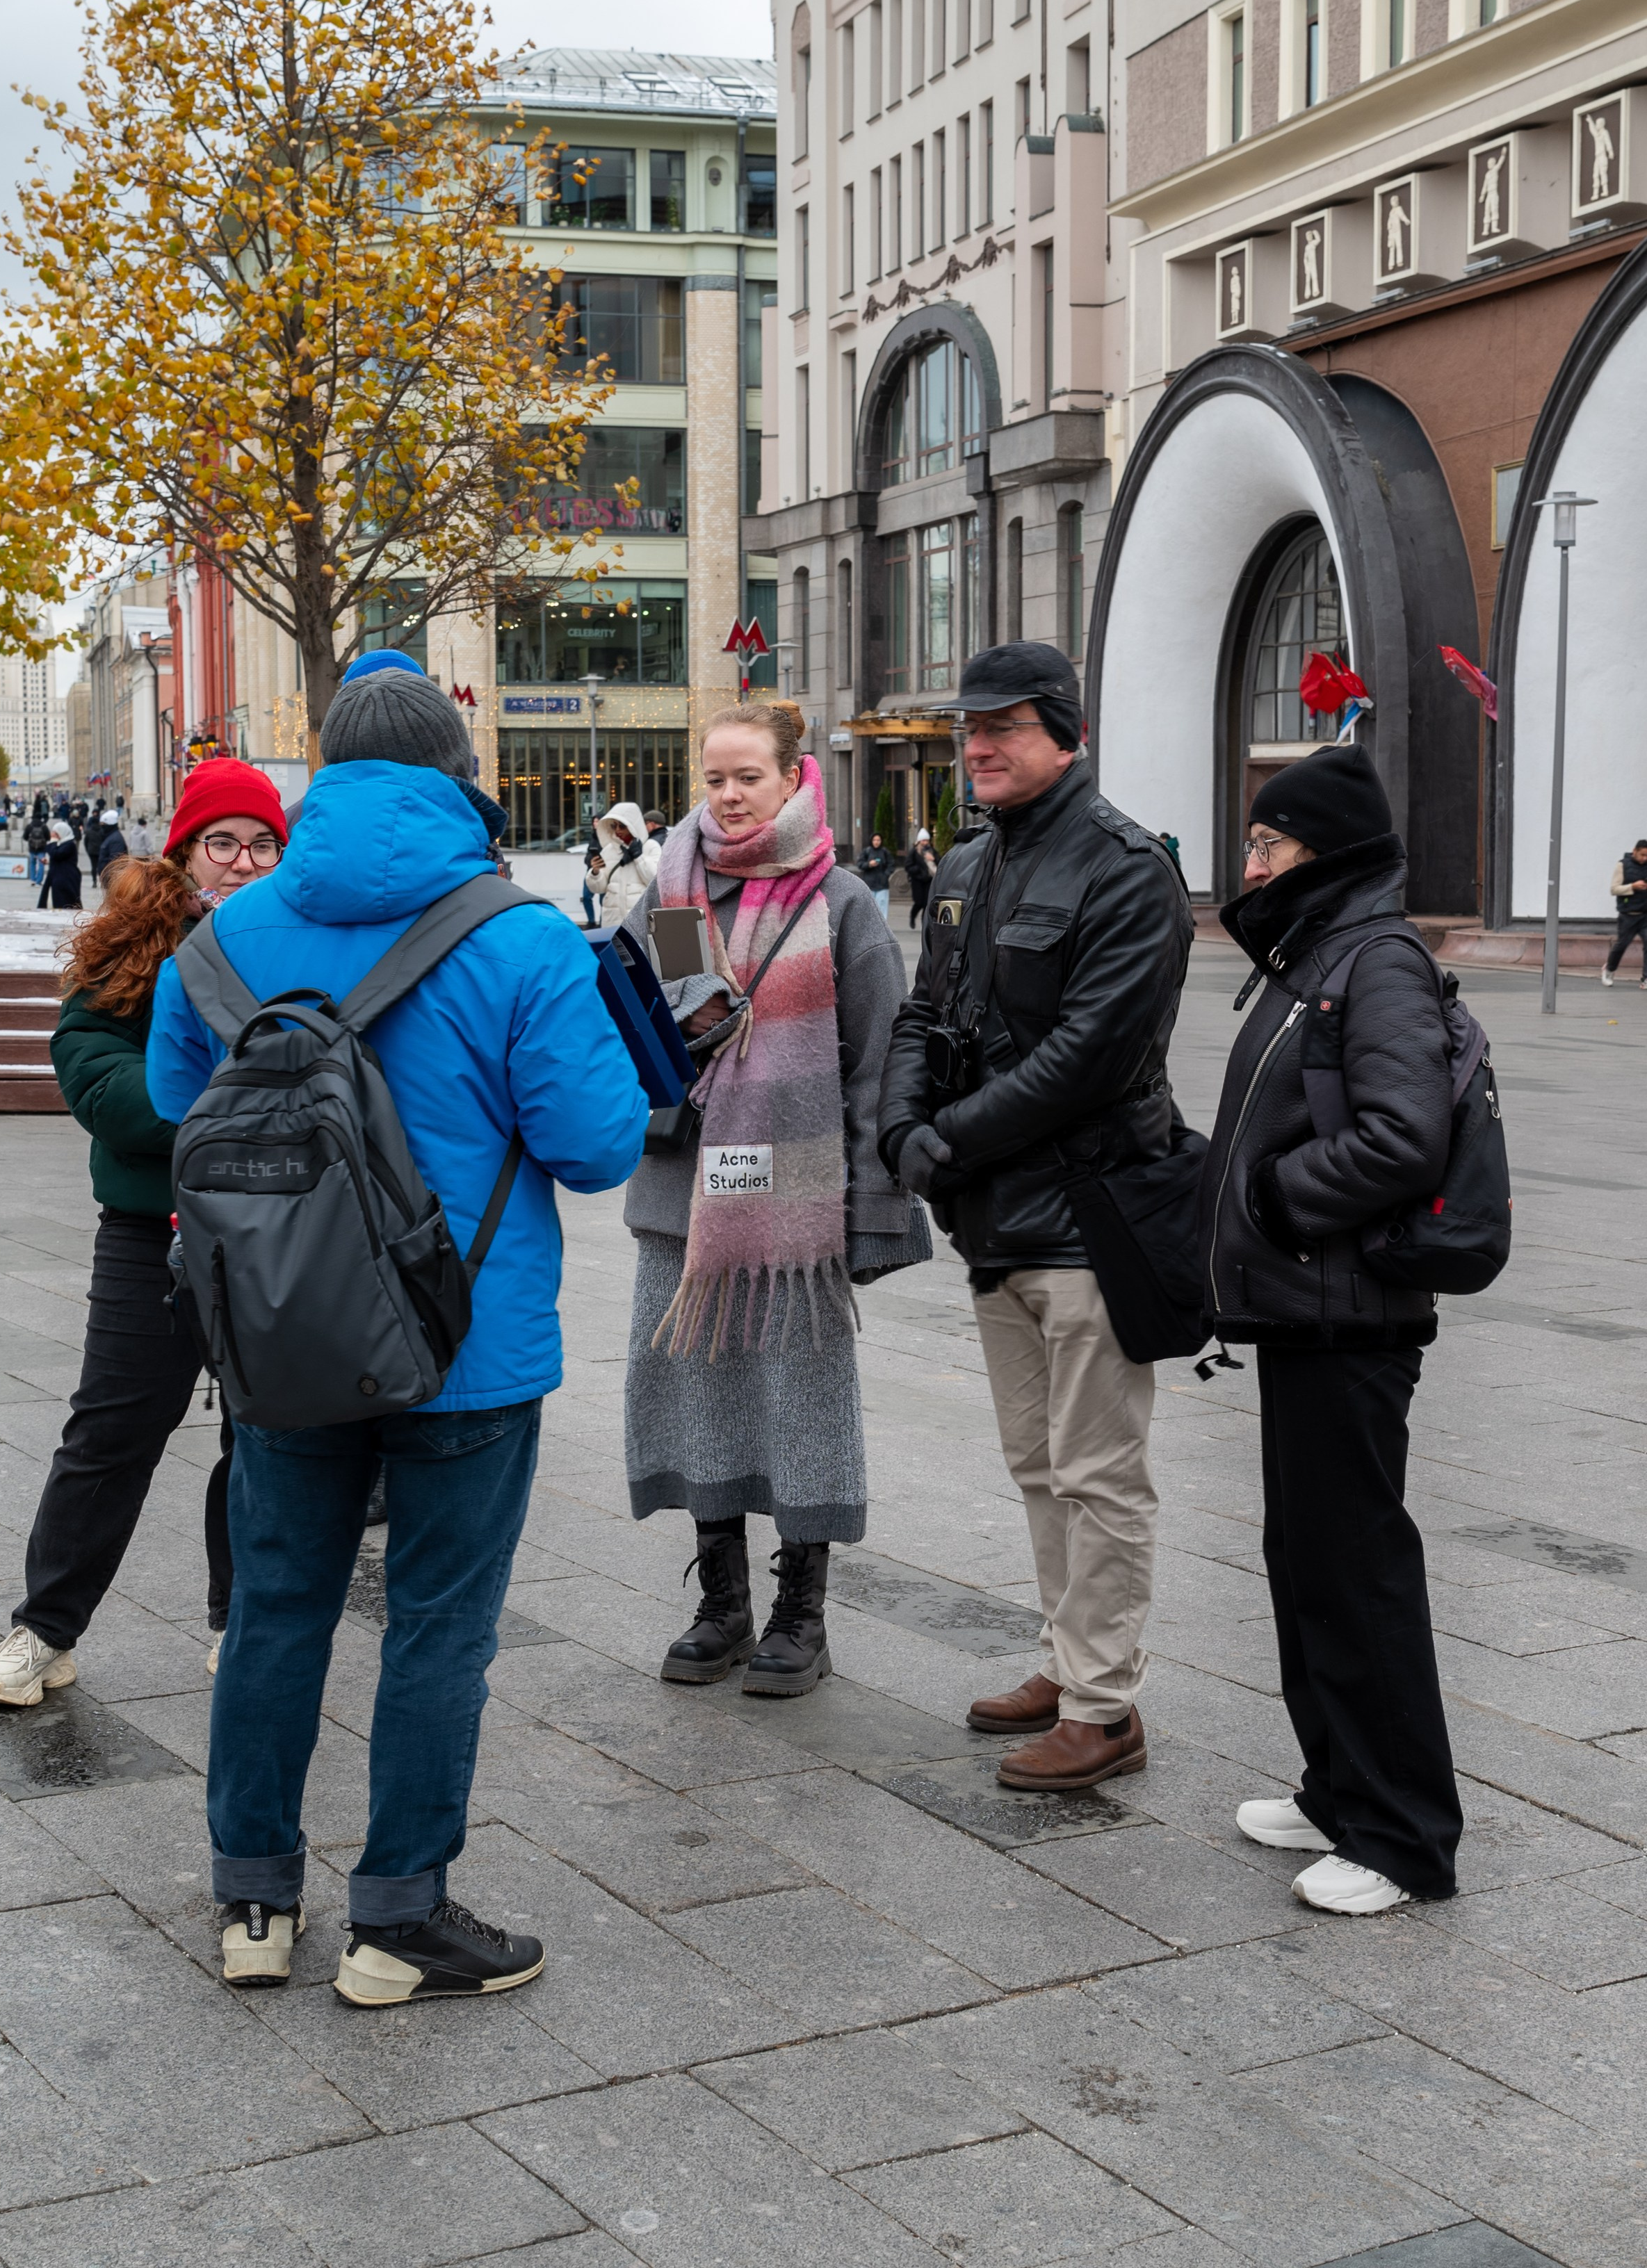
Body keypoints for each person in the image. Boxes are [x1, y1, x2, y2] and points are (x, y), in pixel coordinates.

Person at [145, 656, 649, 2002]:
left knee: (273, 1608)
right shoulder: (526, 935)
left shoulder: (227, 936)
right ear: (455, 775)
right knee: (437, 1627)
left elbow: (167, 1098)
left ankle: (253, 1899)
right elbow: (600, 1144)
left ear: (323, 774)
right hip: (466, 1347)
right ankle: (394, 1920)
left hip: (281, 1341)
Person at [878, 642, 1192, 1793]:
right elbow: (924, 1013)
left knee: (1101, 1472)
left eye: (1003, 725)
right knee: (1038, 1464)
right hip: (995, 1223)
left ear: (1065, 730)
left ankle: (1107, 1708)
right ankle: (1067, 1661)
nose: (978, 746)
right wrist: (899, 1124)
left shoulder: (1126, 869)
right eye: (970, 727)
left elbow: (1090, 1058)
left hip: (1093, 1218)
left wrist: (946, 1140)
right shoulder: (966, 862)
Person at [1199, 744, 1461, 1916]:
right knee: (1302, 1558)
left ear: (1326, 848)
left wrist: (1270, 1199)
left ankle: (1404, 1834)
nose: (1251, 861)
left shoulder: (1379, 961)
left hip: (1353, 1312)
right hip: (1304, 1307)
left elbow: (1406, 1138)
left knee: (1357, 1572)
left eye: (1269, 842)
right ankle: (1335, 1782)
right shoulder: (1319, 952)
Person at [0, 759, 288, 1713]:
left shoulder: (310, 945)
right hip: (152, 1232)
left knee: (266, 1438)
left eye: (262, 842)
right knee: (110, 1432)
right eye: (222, 842)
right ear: (185, 852)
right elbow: (107, 1086)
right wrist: (244, 1106)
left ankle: (241, 1626)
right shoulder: (129, 954)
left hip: (281, 1235)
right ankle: (45, 1630)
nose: (242, 861)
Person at [622, 703, 920, 1695]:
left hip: (795, 1204)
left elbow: (880, 1065)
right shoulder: (669, 894)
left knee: (801, 1401)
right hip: (685, 1191)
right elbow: (621, 1024)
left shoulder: (843, 902)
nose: (729, 796)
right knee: (699, 1388)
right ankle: (722, 1604)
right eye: (714, 779)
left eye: (748, 776)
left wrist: (875, 1206)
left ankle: (803, 1617)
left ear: (797, 779)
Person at [592, 799, 660, 936]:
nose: (617, 830)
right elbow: (598, 888)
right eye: (614, 826)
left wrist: (638, 857)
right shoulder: (609, 850)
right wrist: (595, 873)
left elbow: (655, 882)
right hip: (612, 922)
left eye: (622, 826)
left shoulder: (650, 847)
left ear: (632, 825)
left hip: (639, 923)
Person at [1603, 839, 1647, 987]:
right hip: (1628, 915)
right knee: (1622, 945)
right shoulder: (1622, 865)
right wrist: (1632, 887)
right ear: (1635, 851)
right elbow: (1614, 889)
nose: (1644, 859)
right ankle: (1609, 969)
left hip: (1645, 915)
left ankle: (1646, 978)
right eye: (1642, 855)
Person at [39, 819, 83, 911]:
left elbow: (57, 854)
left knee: (66, 903)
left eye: (56, 833)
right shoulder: (62, 843)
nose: (54, 835)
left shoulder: (70, 844)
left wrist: (53, 842)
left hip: (67, 878)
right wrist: (49, 862)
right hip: (59, 875)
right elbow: (58, 857)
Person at [904, 827, 938, 930]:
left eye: (927, 840)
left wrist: (934, 859)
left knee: (926, 904)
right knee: (918, 903)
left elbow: (940, 862)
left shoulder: (932, 851)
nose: (925, 842)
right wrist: (919, 870)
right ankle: (912, 917)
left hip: (929, 881)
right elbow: (908, 866)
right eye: (923, 840)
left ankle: (925, 925)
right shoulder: (914, 852)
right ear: (919, 841)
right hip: (917, 881)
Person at [857, 832, 893, 915]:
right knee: (869, 909)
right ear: (871, 841)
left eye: (878, 840)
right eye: (874, 840)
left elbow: (891, 865)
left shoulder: (885, 852)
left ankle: (882, 927)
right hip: (869, 884)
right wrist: (869, 864)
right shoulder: (867, 851)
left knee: (882, 908)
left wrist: (886, 875)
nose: (876, 842)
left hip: (882, 885)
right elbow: (860, 864)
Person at [94, 807, 129, 889]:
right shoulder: (110, 837)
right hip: (108, 880)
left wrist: (110, 880)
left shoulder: (115, 839)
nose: (102, 828)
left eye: (104, 825)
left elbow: (116, 863)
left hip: (113, 882)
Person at [24, 802, 50, 885]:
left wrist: (30, 840)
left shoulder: (30, 826)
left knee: (32, 863)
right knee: (41, 864)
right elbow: (48, 837)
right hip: (42, 848)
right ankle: (39, 881)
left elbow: (25, 837)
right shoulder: (44, 826)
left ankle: (33, 879)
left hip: (32, 848)